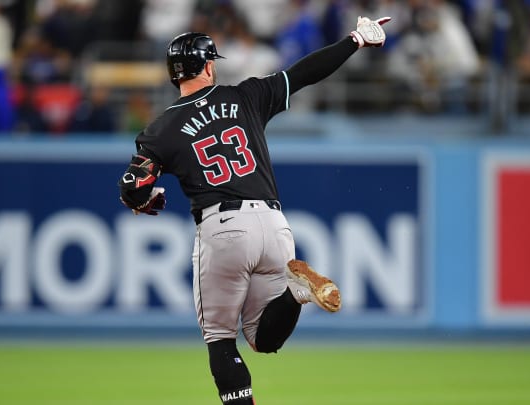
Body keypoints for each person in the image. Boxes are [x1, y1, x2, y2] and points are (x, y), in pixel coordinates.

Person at [118, 16, 391, 404]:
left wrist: (144, 201)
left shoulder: (161, 129)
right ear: (209, 65)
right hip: (274, 224)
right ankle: (296, 292)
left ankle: (293, 296)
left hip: (223, 228)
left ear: (173, 75)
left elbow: (132, 186)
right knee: (263, 339)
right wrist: (355, 39)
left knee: (221, 342)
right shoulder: (245, 96)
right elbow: (304, 73)